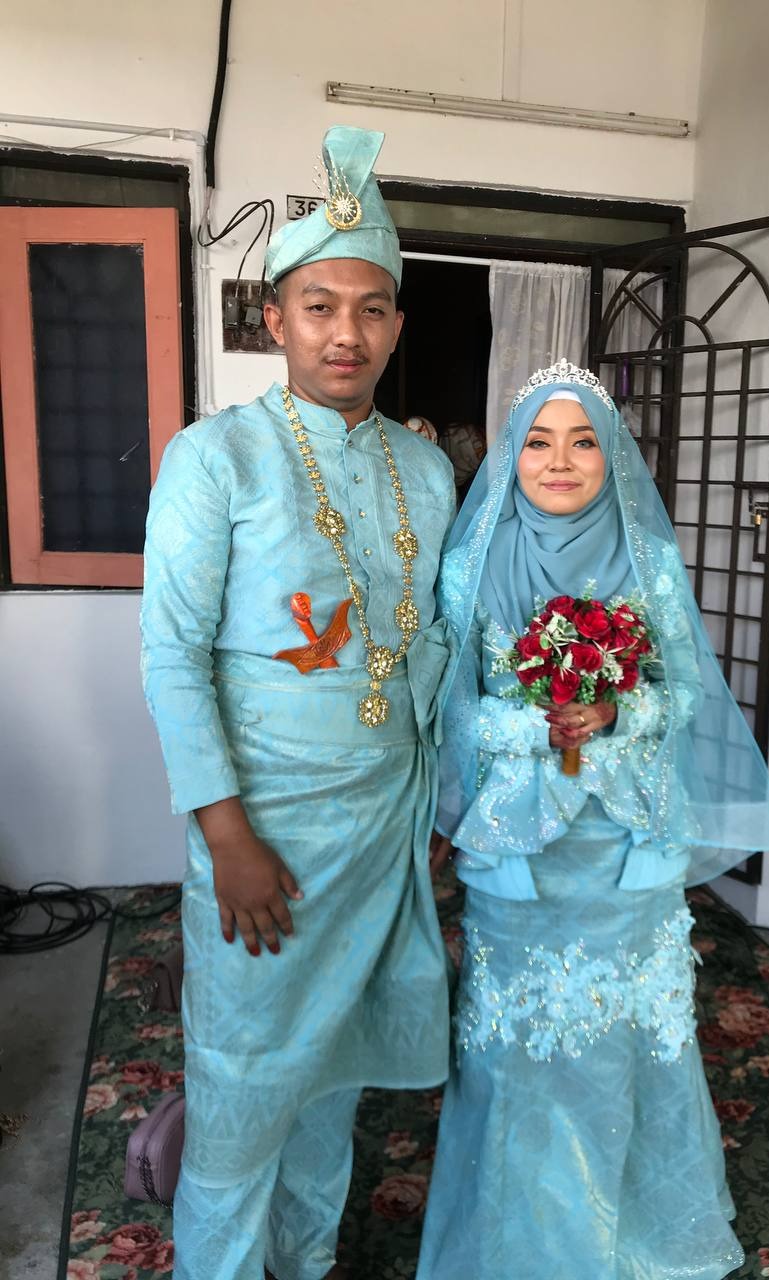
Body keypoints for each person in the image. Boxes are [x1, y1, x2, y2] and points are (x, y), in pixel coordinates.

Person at [141, 125, 456, 1280]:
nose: (345, 332)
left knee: (334, 1077)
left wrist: (437, 804)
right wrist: (226, 835)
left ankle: (307, 1258)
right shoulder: (214, 457)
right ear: (273, 319)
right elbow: (172, 653)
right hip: (263, 831)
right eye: (319, 306)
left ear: (397, 327)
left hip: (381, 831)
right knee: (242, 1090)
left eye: (370, 309)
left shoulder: (427, 469)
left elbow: (431, 646)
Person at [416, 360, 769, 1280]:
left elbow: (683, 692)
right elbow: (452, 712)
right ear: (511, 456)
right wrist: (538, 724)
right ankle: (523, 1247)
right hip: (520, 851)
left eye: (583, 441)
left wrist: (618, 710)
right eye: (539, 443)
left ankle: (641, 1234)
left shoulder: (648, 560)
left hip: (627, 845)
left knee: (633, 1040)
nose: (560, 461)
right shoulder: (471, 563)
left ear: (611, 454)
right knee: (519, 1054)